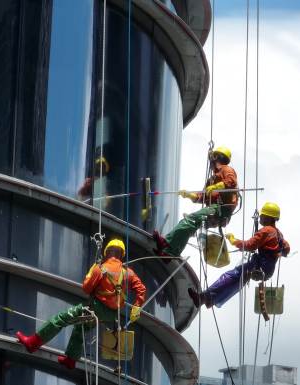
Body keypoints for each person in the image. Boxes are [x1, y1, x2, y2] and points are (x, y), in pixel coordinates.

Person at [15, 239, 147, 369]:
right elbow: (141, 289)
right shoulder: (128, 273)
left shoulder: (100, 268)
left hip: (96, 308)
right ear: (121, 255)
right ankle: (71, 359)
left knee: (61, 318)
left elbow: (86, 288)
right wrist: (136, 309)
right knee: (81, 328)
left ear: (107, 253)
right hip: (111, 314)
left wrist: (93, 272)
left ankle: (32, 343)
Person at [188, 202, 290, 308]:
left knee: (232, 275)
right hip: (268, 270)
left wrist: (233, 240)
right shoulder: (279, 234)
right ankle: (211, 299)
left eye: (262, 215)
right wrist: (275, 250)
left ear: (268, 217)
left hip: (259, 266)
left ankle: (204, 297)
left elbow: (249, 245)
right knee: (238, 281)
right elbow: (287, 250)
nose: (260, 217)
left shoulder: (266, 230)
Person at [152, 146, 237, 257]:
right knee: (188, 224)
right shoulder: (211, 179)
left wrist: (217, 186)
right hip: (215, 210)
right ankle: (169, 253)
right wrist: (189, 195)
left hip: (222, 209)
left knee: (190, 220)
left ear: (216, 157)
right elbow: (203, 197)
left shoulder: (226, 169)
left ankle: (166, 244)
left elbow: (231, 182)